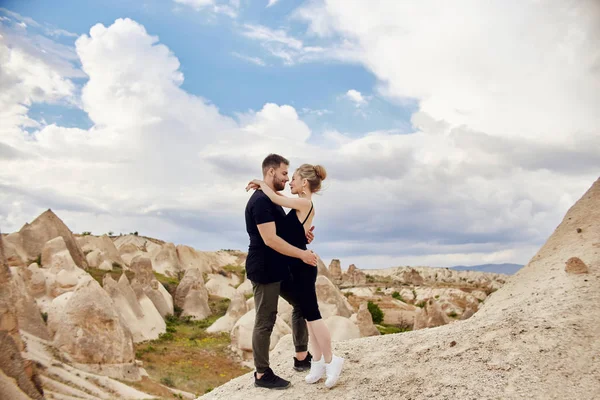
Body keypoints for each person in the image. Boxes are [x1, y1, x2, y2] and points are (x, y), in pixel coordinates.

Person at [247, 163, 344, 389]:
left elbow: (276, 199)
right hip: (297, 266)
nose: (290, 181)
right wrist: (302, 236)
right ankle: (317, 362)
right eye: (286, 175)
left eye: (294, 178)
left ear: (304, 183)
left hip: (302, 266)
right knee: (309, 316)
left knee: (313, 316)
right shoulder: (301, 204)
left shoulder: (303, 202)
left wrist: (261, 183)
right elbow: (288, 230)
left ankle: (332, 360)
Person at [245, 154, 318, 390]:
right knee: (266, 320)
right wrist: (302, 253)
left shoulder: (273, 199)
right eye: (285, 173)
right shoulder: (261, 202)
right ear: (271, 172)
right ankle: (262, 374)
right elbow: (271, 240)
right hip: (265, 268)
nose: (287, 179)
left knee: (301, 305)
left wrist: (301, 235)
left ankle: (300, 357)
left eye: (289, 175)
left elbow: (284, 231)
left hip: (280, 267)